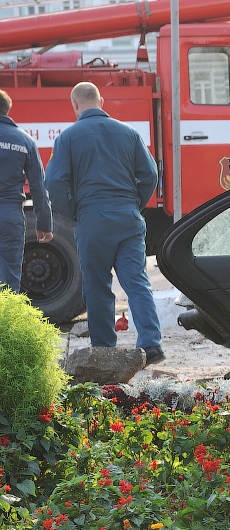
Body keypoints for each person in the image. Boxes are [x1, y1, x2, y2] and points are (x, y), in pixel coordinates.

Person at [45, 82, 164, 363]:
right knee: (137, 282)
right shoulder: (129, 133)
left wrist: (74, 212)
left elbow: (54, 182)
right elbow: (149, 174)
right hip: (128, 220)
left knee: (97, 287)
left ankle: (104, 349)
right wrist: (133, 204)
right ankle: (151, 345)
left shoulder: (68, 138)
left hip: (92, 221)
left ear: (74, 104)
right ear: (102, 100)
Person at [0, 89, 52, 293]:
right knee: (10, 281)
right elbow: (39, 186)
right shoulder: (25, 141)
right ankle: (6, 324)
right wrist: (44, 224)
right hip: (11, 216)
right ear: (8, 109)